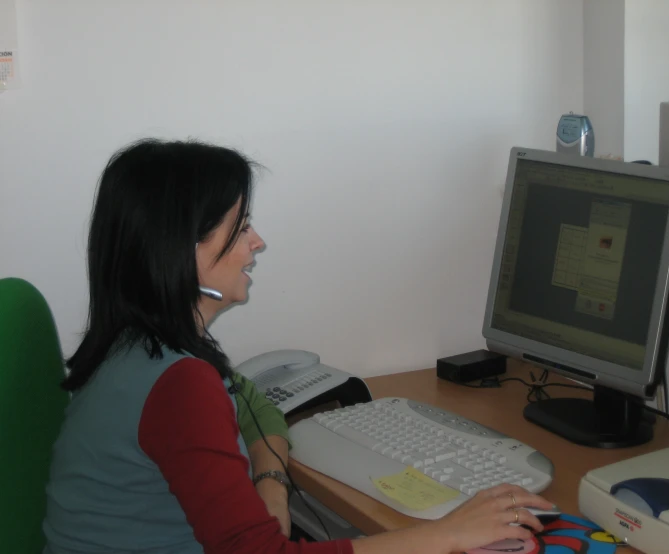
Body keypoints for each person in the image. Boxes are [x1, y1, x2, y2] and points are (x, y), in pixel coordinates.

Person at [43, 138, 554, 554]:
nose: (256, 242)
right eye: (240, 227)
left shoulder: (138, 345)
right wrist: (450, 534)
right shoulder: (179, 384)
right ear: (181, 250)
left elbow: (252, 402)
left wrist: (270, 481)